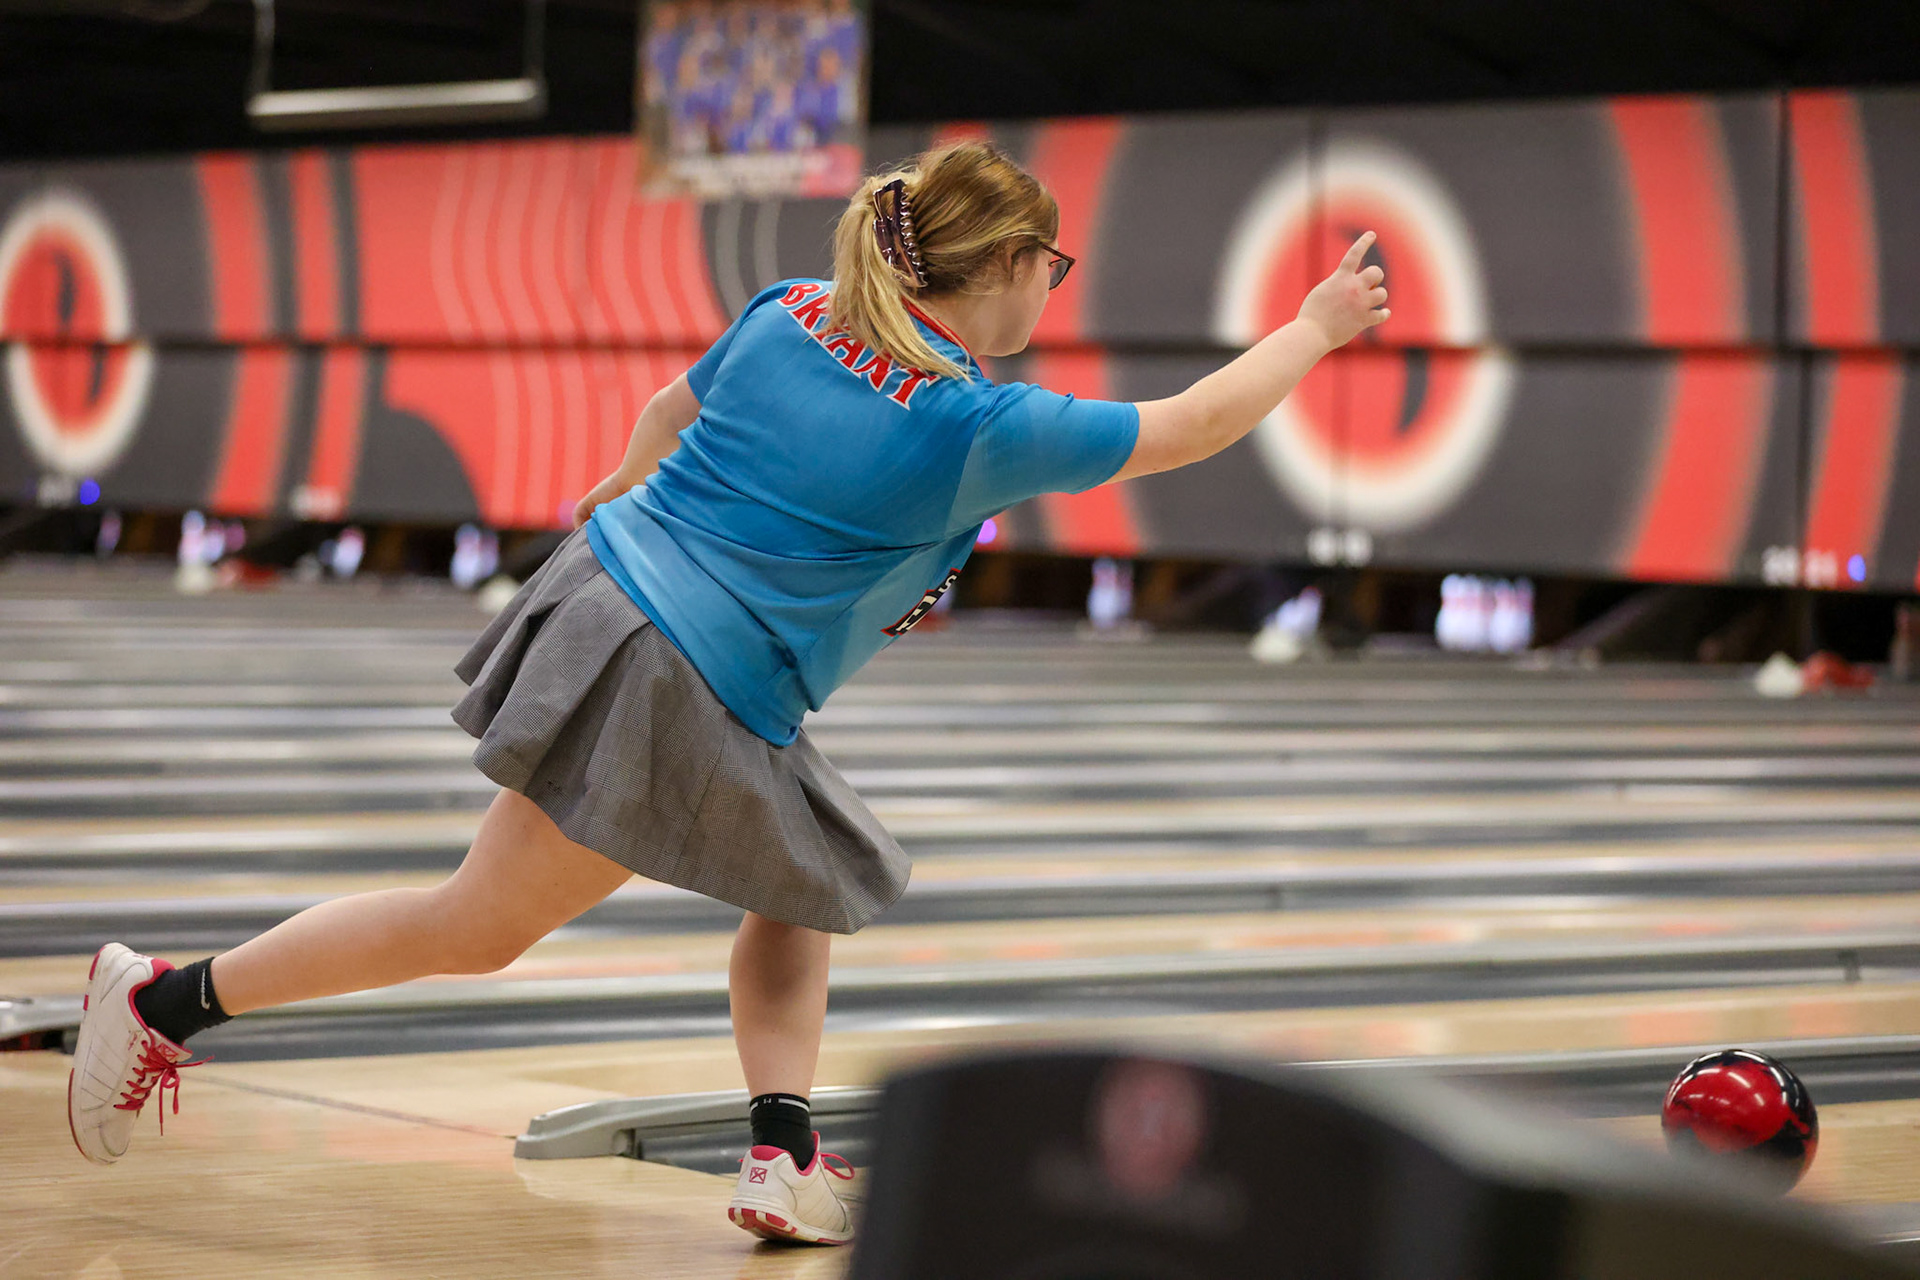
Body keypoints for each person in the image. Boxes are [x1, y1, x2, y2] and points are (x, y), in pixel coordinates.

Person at [65, 141, 1387, 1246]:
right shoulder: (977, 426)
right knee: (477, 924)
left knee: (793, 870)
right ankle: (157, 1004)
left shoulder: (797, 308)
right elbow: (1196, 422)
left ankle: (781, 1153)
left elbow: (661, 416)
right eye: (1055, 262)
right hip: (683, 668)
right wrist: (1316, 328)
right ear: (1003, 268)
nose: (1055, 283)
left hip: (616, 605)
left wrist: (614, 516)